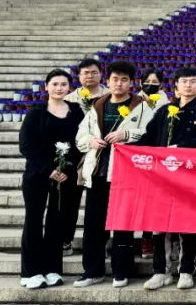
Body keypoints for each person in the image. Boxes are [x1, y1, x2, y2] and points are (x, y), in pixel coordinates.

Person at [140, 66, 196, 291]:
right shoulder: (165, 111)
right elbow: (149, 136)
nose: (189, 85)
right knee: (159, 225)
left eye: (193, 81)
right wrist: (127, 148)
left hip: (190, 176)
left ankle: (185, 271)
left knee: (187, 224)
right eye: (184, 81)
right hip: (162, 177)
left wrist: (182, 148)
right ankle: (160, 271)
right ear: (176, 86)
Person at [73, 61, 148, 289]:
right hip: (96, 173)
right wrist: (91, 142)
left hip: (125, 175)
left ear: (131, 83)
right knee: (93, 225)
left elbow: (149, 135)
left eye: (124, 79)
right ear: (108, 81)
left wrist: (128, 134)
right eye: (115, 79)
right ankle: (92, 271)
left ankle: (120, 271)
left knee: (123, 225)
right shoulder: (96, 106)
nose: (119, 83)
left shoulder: (142, 107)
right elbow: (80, 138)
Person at [19, 69, 84, 289]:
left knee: (57, 222)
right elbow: (27, 146)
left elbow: (80, 143)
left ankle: (53, 269)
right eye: (54, 84)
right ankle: (31, 271)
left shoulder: (76, 112)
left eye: (63, 84)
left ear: (69, 88)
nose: (59, 88)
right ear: (46, 86)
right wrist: (49, 169)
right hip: (38, 175)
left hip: (65, 177)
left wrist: (68, 167)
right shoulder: (36, 113)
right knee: (34, 221)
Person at [61, 58, 108, 255]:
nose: (90, 76)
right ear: (79, 76)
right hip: (75, 156)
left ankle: (101, 243)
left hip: (102, 156)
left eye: (94, 72)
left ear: (101, 74)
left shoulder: (110, 96)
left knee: (100, 204)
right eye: (85, 73)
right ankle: (65, 239)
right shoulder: (69, 99)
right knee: (70, 199)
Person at [135, 68, 168, 261]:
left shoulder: (167, 104)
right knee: (146, 200)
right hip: (142, 157)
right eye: (148, 81)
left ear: (161, 85)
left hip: (162, 158)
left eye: (155, 82)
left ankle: (162, 239)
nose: (151, 84)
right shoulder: (134, 102)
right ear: (141, 83)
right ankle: (146, 237)